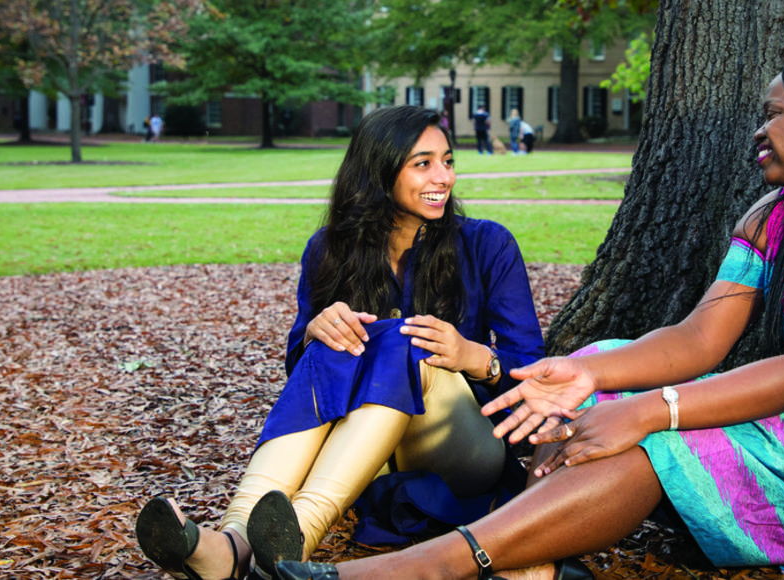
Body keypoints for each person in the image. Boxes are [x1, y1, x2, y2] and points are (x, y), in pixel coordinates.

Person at [259, 38, 784, 580]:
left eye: (776, 115)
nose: (759, 131)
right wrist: (581, 375)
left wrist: (650, 410)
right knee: (595, 367)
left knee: (655, 434)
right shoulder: (776, 217)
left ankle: (432, 565)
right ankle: (536, 553)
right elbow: (699, 340)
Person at [134, 105, 545, 580]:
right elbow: (306, 379)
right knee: (333, 341)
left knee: (403, 339)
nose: (444, 177)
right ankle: (234, 543)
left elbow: (531, 376)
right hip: (363, 455)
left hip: (461, 450)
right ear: (379, 170)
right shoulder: (329, 249)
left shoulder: (487, 244)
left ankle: (299, 531)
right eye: (423, 163)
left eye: (447, 161)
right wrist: (315, 331)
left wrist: (473, 356)